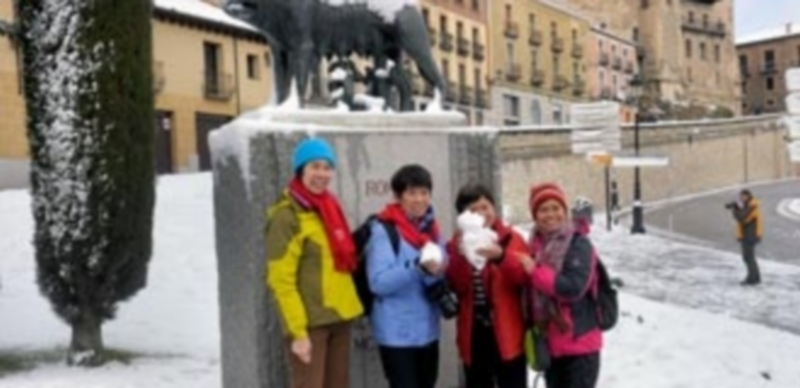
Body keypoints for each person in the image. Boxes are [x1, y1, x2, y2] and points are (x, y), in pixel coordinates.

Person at [264, 137, 363, 388]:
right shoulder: (287, 216)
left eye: (327, 167)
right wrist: (298, 333)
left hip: (340, 317)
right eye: (315, 166)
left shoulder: (328, 207)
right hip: (311, 326)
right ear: (301, 170)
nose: (322, 174)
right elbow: (280, 280)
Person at [366, 164, 447, 388]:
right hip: (397, 335)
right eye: (411, 193)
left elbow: (441, 266)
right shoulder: (384, 231)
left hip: (428, 331)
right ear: (398, 196)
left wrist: (439, 272)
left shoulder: (431, 228)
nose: (419, 199)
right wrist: (416, 267)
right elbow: (378, 282)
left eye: (424, 193)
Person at [518, 183, 603, 388]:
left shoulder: (578, 243)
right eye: (543, 209)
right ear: (535, 215)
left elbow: (573, 287)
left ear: (565, 212)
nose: (550, 214)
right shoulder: (534, 245)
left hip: (579, 346)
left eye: (556, 208)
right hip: (551, 345)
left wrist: (535, 272)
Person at [445, 183, 529, 388]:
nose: (481, 214)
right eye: (473, 210)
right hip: (474, 332)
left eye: (485, 207)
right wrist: (461, 256)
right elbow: (457, 285)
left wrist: (501, 257)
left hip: (508, 330)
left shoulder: (512, 238)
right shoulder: (457, 243)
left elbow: (523, 278)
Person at [725, 189, 762, 285]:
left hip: (750, 235)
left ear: (748, 196)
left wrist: (735, 208)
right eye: (741, 196)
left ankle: (752, 279)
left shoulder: (752, 207)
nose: (742, 198)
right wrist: (736, 206)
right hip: (747, 235)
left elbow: (742, 218)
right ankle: (755, 277)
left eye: (744, 196)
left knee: (748, 257)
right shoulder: (748, 206)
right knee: (749, 257)